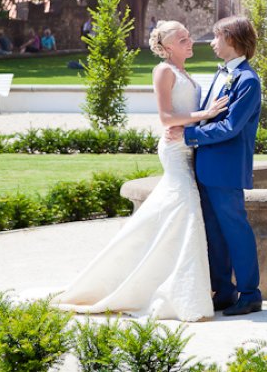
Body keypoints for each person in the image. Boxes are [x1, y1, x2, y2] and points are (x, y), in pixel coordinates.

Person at [53, 21, 228, 321]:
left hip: (189, 145)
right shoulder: (163, 71)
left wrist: (203, 121)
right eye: (182, 39)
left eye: (188, 37)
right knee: (186, 211)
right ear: (168, 47)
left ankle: (167, 284)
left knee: (174, 214)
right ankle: (179, 296)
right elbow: (165, 118)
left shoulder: (186, 73)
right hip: (174, 151)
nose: (190, 42)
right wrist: (205, 114)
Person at [167, 16, 263, 316]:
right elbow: (209, 115)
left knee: (236, 231)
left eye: (216, 37)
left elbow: (231, 127)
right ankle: (223, 292)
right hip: (207, 167)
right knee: (214, 232)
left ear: (232, 39)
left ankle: (250, 294)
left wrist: (189, 134)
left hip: (226, 169)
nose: (211, 42)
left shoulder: (247, 80)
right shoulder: (221, 73)